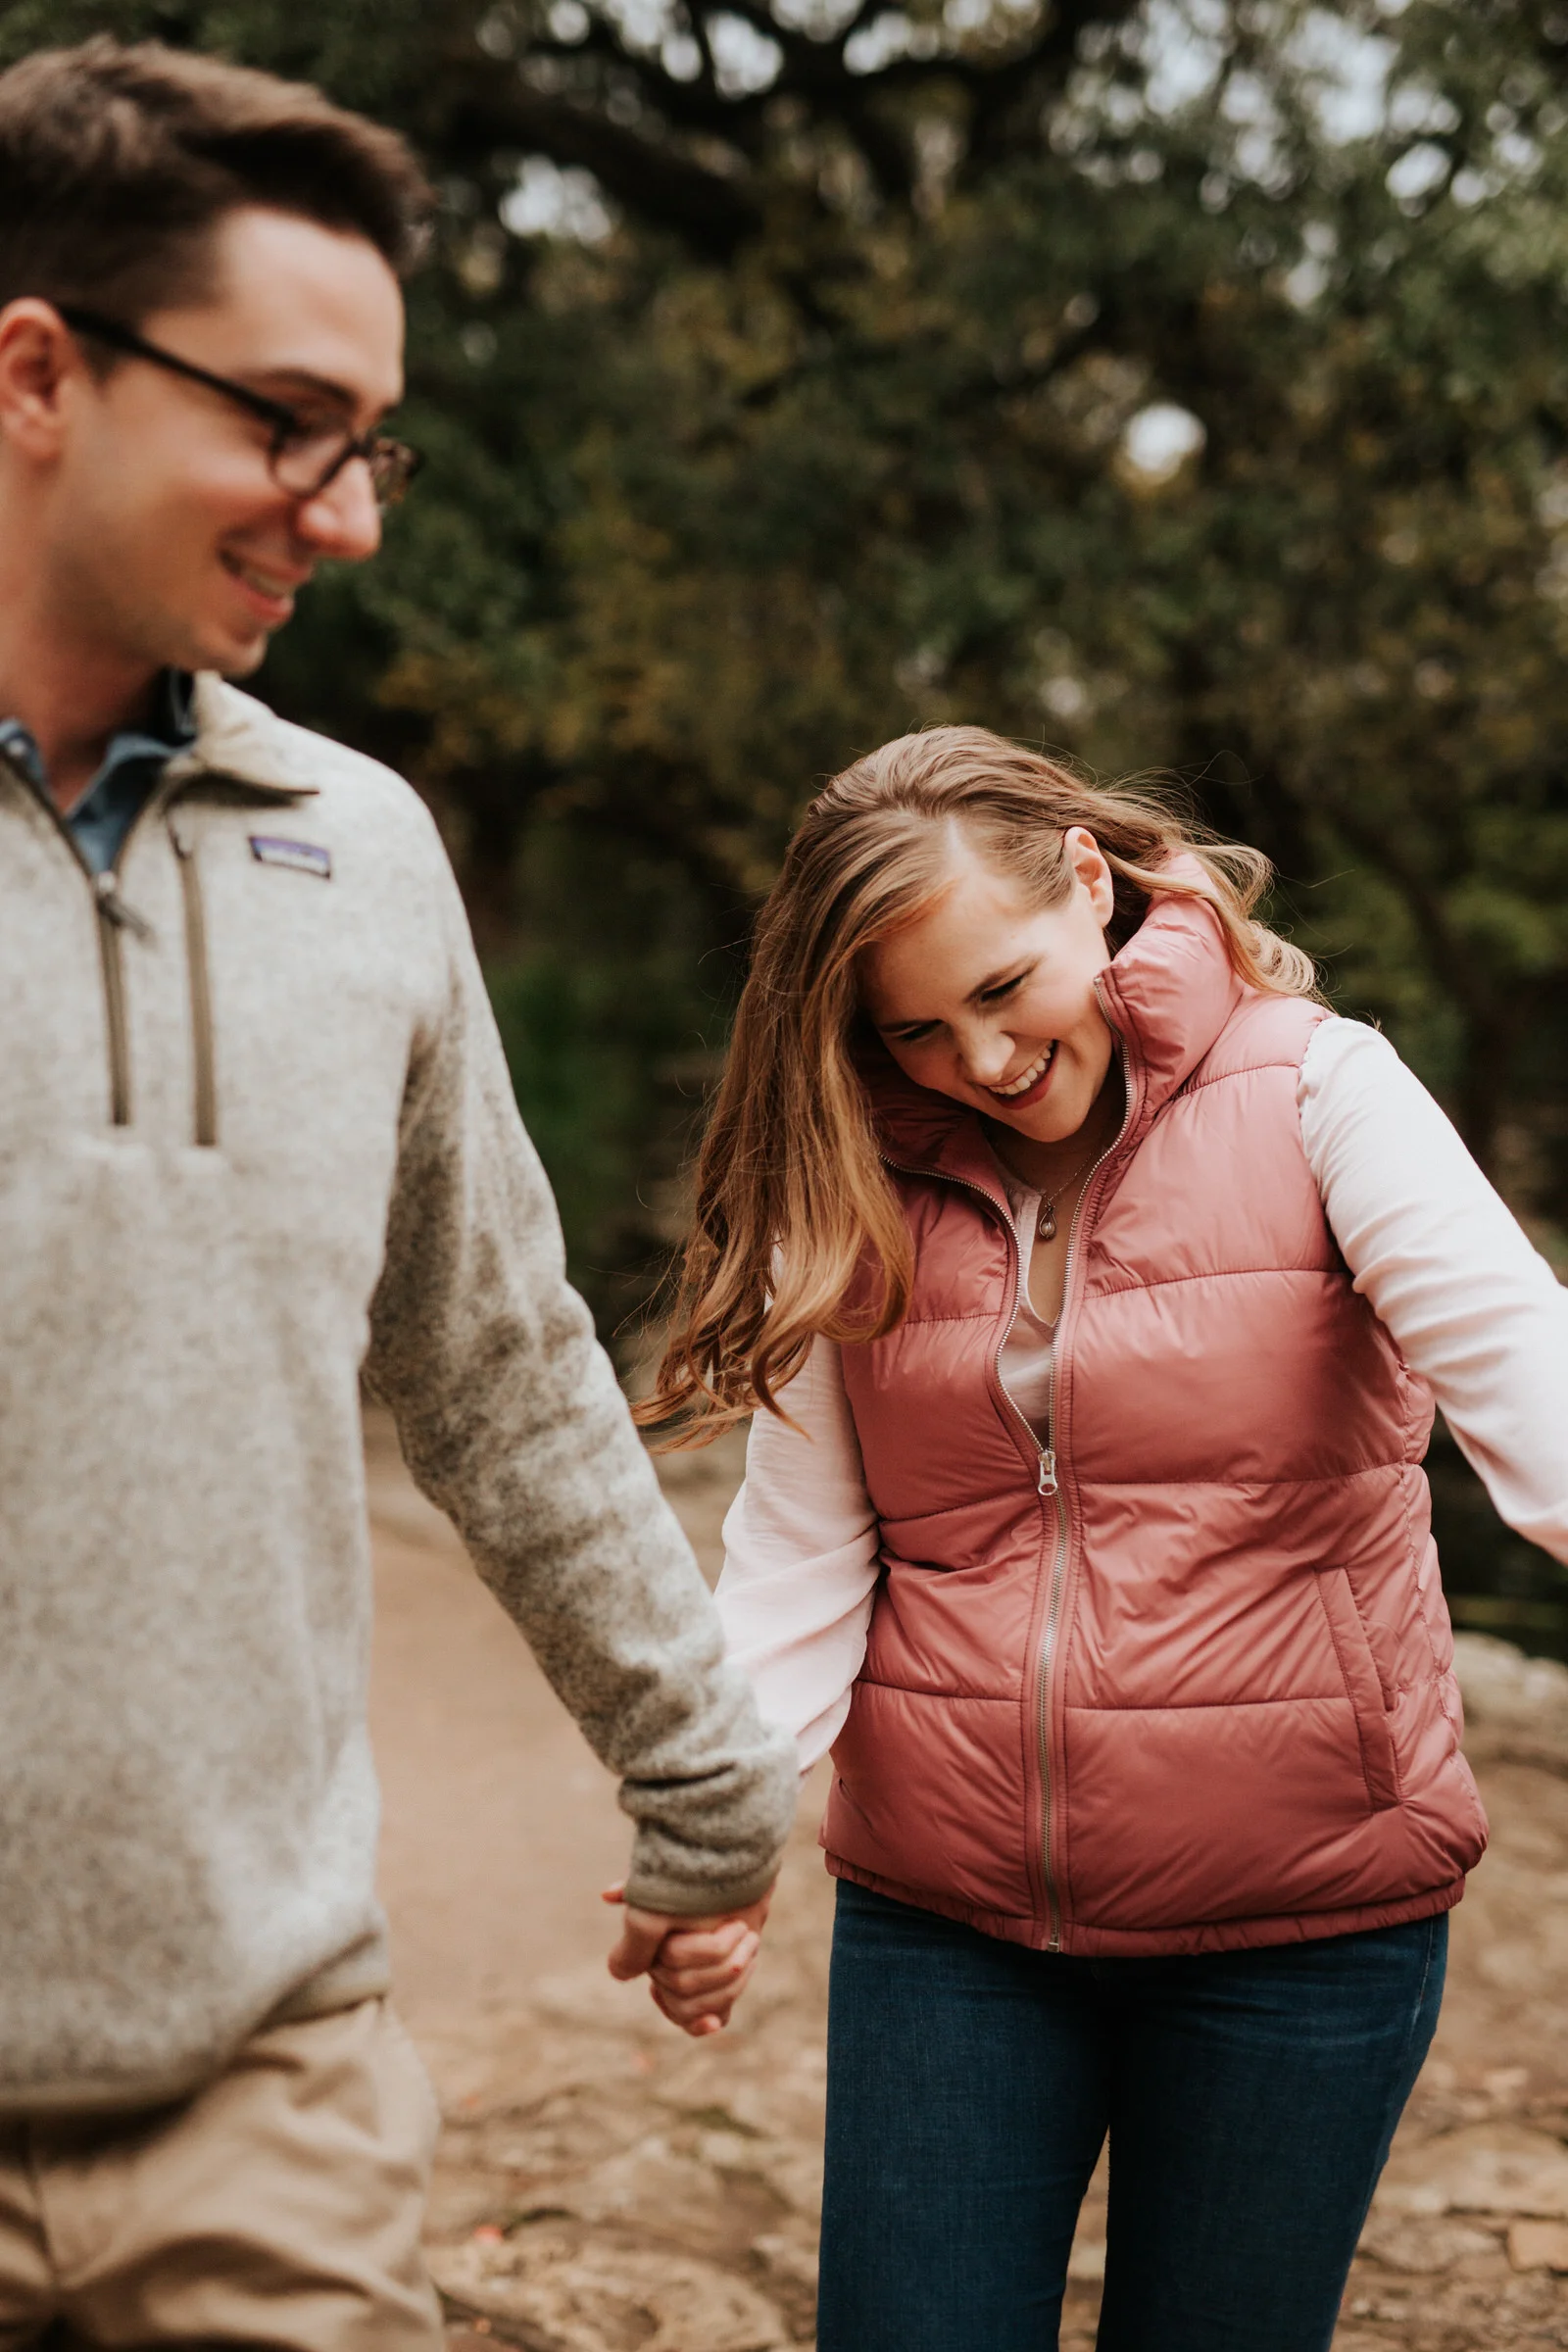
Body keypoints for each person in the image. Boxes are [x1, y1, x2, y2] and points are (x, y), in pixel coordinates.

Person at [0, 36, 793, 2351]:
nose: (346, 512)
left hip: (273, 2089)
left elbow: (500, 1357)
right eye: (283, 424)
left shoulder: (360, 852)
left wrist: (697, 1768)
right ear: (38, 368)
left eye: (372, 445)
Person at [640, 725, 1568, 2349]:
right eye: (914, 1029)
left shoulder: (1320, 1091)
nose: (982, 1063)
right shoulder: (850, 1175)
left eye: (1005, 991)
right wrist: (716, 1844)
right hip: (953, 1928)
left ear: (1088, 884)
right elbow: (802, 1552)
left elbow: (1542, 1409)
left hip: (1306, 1924)